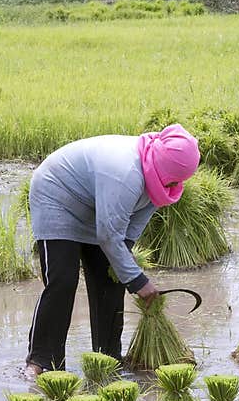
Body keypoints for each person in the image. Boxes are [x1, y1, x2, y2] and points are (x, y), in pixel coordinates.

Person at [23, 124, 200, 380]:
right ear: (165, 167)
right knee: (62, 280)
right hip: (58, 197)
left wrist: (123, 264)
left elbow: (132, 226)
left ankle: (108, 358)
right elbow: (108, 235)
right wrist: (138, 281)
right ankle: (41, 360)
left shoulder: (160, 180)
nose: (175, 184)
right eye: (174, 178)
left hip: (100, 206)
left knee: (110, 279)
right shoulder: (125, 171)